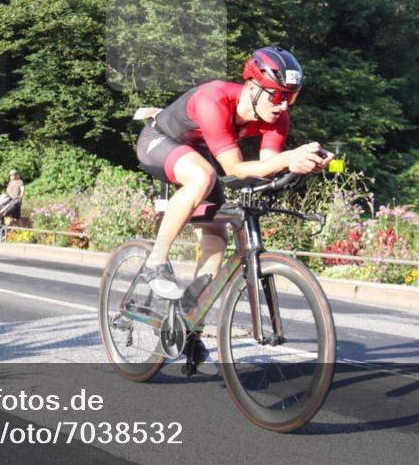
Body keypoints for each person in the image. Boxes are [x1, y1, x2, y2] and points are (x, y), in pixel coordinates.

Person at [136, 46, 332, 365]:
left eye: (291, 97)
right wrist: (287, 158)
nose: (283, 105)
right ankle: (154, 262)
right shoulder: (213, 99)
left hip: (202, 153)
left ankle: (188, 326)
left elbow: (265, 168)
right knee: (202, 176)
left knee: (216, 242)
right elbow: (235, 168)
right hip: (159, 141)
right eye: (277, 95)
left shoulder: (277, 119)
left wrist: (303, 164)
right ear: (252, 88)